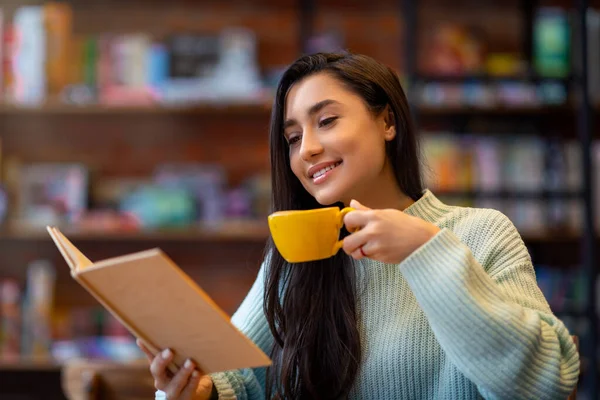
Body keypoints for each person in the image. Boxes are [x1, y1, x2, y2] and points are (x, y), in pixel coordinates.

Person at [138, 52, 580, 400]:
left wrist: (426, 253)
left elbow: (544, 384)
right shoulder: (300, 255)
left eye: (326, 121)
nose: (307, 149)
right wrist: (199, 391)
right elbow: (235, 376)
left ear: (387, 121)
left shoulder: (479, 233)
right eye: (293, 138)